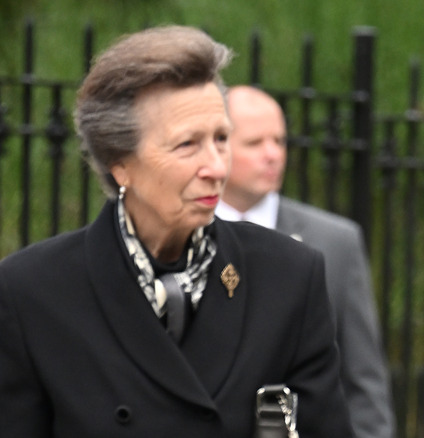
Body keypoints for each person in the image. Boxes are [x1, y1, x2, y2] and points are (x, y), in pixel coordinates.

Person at [0, 26, 353, 438]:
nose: (217, 168)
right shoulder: (33, 292)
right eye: (187, 145)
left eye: (221, 139)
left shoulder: (290, 276)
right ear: (120, 163)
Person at [215, 85, 395, 438]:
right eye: (255, 143)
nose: (273, 155)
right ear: (217, 146)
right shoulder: (183, 235)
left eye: (279, 141)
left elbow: (364, 378)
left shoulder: (335, 241)